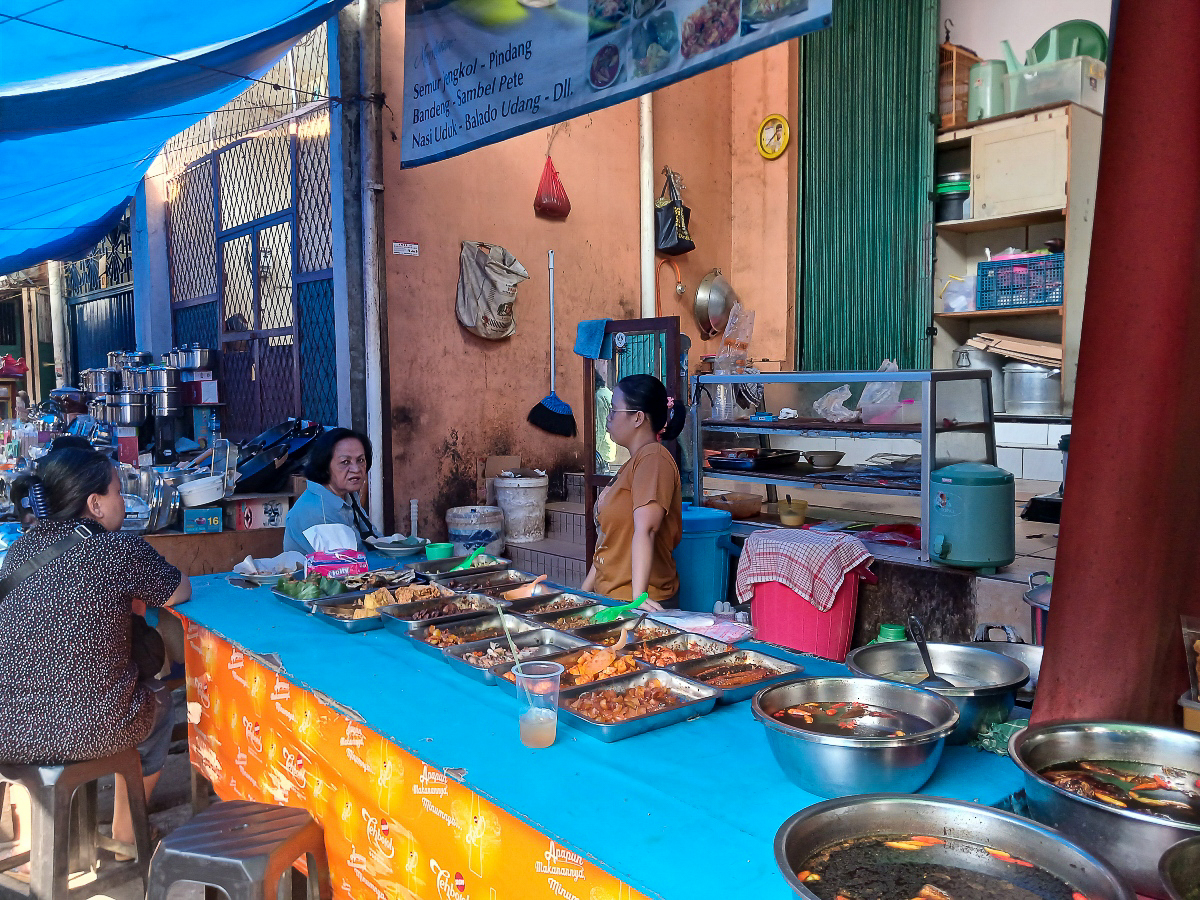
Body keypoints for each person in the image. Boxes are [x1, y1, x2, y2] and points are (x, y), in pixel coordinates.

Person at [0, 447, 191, 848]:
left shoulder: (18, 552)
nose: (123, 502)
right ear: (95, 504)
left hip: (8, 732)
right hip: (90, 729)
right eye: (119, 493)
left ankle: (33, 841)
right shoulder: (117, 549)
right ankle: (126, 832)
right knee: (159, 704)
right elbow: (178, 590)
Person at [581, 374, 686, 610]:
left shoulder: (654, 459)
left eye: (614, 410)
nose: (608, 417)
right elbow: (607, 543)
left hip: (636, 604)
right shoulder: (632, 463)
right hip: (611, 599)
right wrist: (584, 593)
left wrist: (639, 596)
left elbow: (647, 528)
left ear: (638, 418)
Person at [284, 428, 378, 555]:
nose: (356, 469)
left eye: (360, 460)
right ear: (325, 466)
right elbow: (344, 567)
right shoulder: (317, 511)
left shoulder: (347, 495)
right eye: (345, 462)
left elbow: (374, 539)